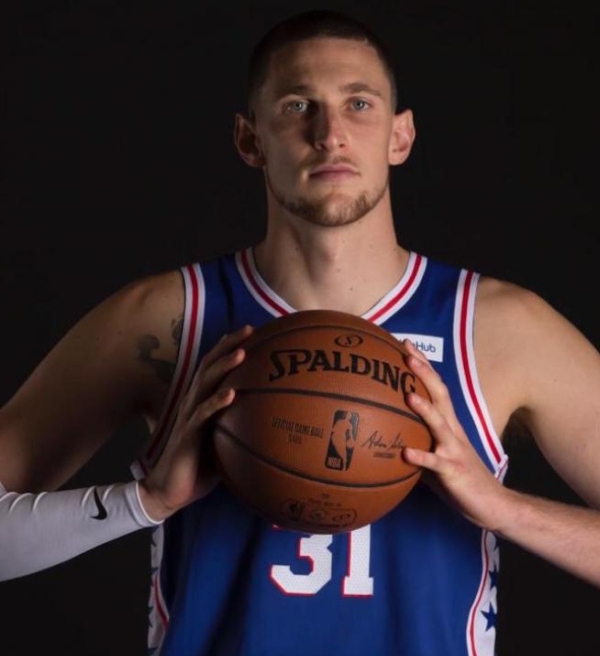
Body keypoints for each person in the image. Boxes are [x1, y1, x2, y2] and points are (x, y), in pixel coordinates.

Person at [2, 8, 600, 655]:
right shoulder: (167, 320)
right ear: (250, 138)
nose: (330, 134)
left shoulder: (497, 328)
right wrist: (144, 502)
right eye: (297, 106)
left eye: (359, 104)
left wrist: (504, 509)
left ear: (400, 135)